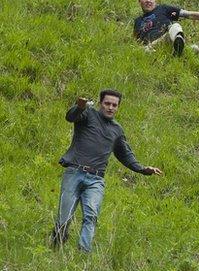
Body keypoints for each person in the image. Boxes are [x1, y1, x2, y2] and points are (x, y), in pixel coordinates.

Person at [50, 91, 163, 253]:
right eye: (107, 103)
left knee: (91, 216)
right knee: (64, 217)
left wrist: (143, 169)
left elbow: (125, 154)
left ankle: (83, 253)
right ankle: (56, 247)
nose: (110, 107)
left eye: (114, 105)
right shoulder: (87, 114)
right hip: (74, 172)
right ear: (100, 103)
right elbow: (71, 117)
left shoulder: (117, 130)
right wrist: (79, 107)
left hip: (96, 179)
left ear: (118, 107)